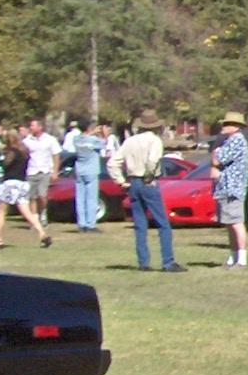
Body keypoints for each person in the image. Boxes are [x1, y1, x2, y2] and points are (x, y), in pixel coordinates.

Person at [113, 115, 180, 271]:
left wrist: (121, 181)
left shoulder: (130, 141)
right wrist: (149, 176)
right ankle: (168, 261)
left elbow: (113, 162)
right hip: (147, 181)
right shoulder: (155, 140)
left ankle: (143, 262)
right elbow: (152, 160)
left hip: (133, 181)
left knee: (140, 224)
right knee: (162, 223)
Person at [0, 120, 48, 248]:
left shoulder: (11, 153)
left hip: (10, 183)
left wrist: (0, 156)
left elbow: (5, 165)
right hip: (22, 183)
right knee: (26, 212)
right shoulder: (24, 152)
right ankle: (42, 233)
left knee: (1, 211)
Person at [211, 111, 248, 267]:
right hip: (226, 187)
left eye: (227, 124)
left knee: (236, 222)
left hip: (233, 188)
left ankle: (241, 259)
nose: (223, 126)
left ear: (236, 127)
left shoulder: (236, 140)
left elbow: (217, 160)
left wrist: (215, 154)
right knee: (229, 223)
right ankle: (233, 256)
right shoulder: (229, 140)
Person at [66, 120, 110, 230]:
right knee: (91, 198)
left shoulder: (76, 139)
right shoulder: (94, 140)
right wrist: (104, 134)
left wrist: (92, 132)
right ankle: (91, 224)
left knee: (80, 198)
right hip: (91, 170)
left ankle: (81, 223)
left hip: (79, 170)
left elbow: (84, 137)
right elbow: (104, 142)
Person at [24, 116, 61, 227]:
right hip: (31, 171)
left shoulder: (50, 139)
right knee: (31, 196)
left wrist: (55, 171)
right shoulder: (27, 141)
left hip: (45, 171)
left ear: (40, 127)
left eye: (33, 125)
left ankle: (43, 214)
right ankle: (34, 218)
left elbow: (56, 155)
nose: (31, 128)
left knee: (42, 195)